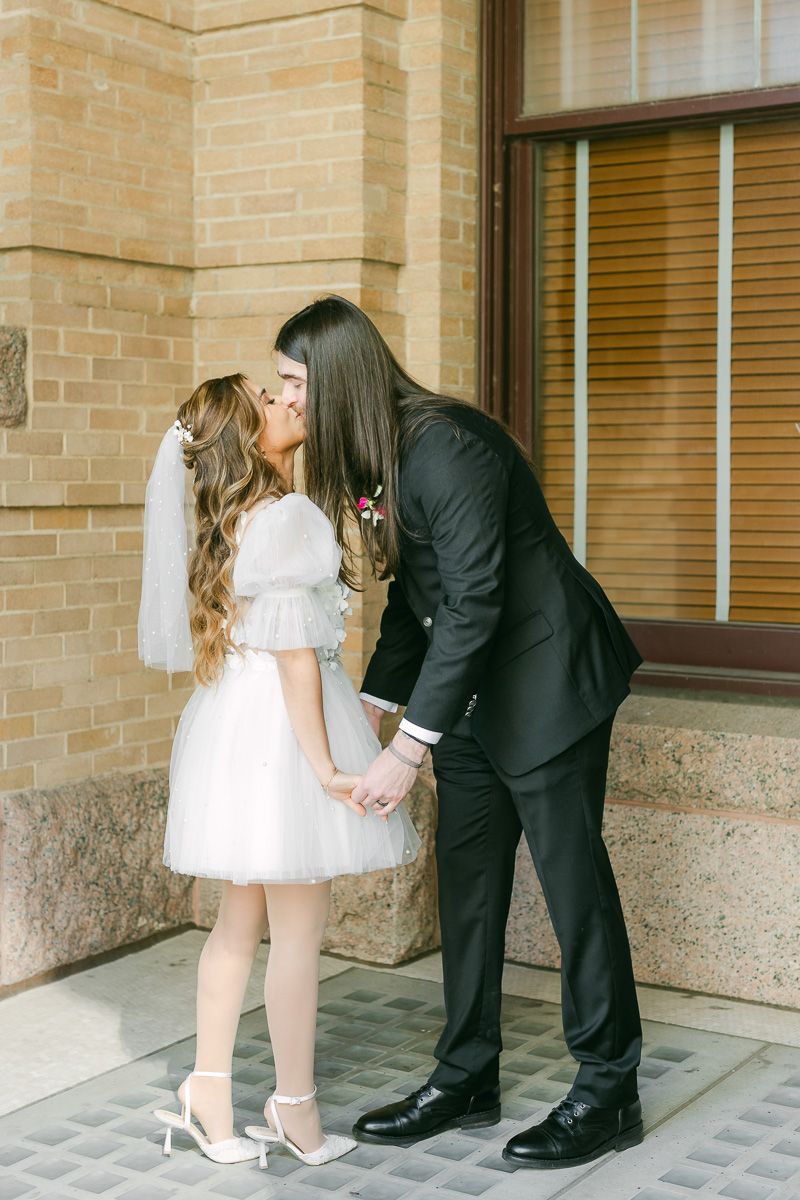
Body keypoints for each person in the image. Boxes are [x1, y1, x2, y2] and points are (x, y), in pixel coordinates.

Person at [272, 296, 645, 1170]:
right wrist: (372, 704)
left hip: (550, 683)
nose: (285, 400)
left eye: (294, 382)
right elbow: (417, 593)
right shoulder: (373, 457)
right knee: (467, 885)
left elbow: (474, 602)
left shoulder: (447, 450)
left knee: (572, 888)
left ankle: (608, 1089)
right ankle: (466, 1075)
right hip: (471, 697)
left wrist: (408, 747)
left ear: (335, 380)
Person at [137, 373, 419, 1169]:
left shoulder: (233, 517)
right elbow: (299, 659)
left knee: (237, 927)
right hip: (286, 735)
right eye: (267, 398)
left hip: (237, 731)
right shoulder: (287, 516)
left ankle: (210, 1091)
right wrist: (327, 766)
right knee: (298, 933)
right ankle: (293, 1104)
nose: (285, 400)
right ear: (246, 437)